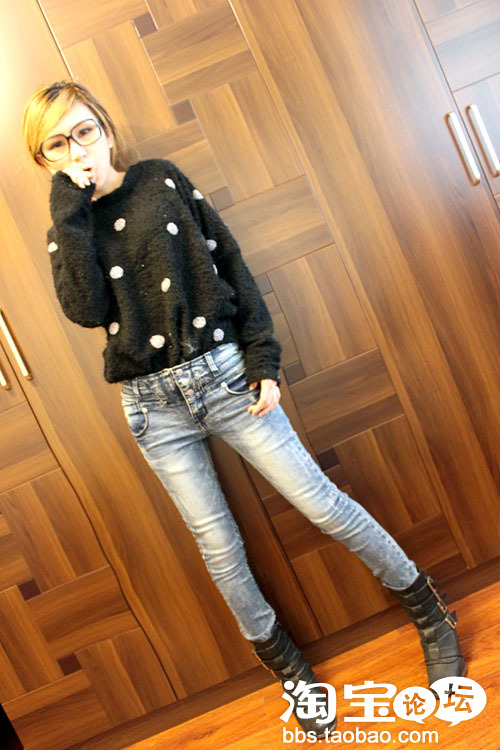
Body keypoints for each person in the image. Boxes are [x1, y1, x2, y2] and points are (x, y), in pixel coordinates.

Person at [22, 80, 466, 738]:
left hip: (225, 378)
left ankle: (429, 609)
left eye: (84, 131)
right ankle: (289, 670)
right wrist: (69, 210)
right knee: (220, 547)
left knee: (321, 503)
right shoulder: (68, 230)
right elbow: (86, 311)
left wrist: (262, 357)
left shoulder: (159, 180)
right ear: (44, 160)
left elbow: (229, 259)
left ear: (106, 129)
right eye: (56, 144)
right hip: (152, 408)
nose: (77, 150)